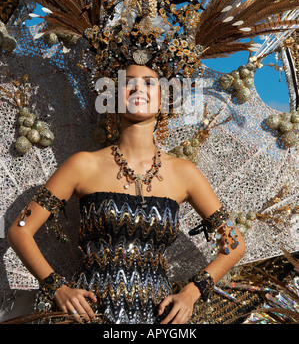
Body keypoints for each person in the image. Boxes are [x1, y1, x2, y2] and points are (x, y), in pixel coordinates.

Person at [7, 62, 246, 325]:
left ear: (164, 99)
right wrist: (57, 288)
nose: (137, 88)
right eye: (127, 82)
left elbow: (234, 245)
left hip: (159, 318)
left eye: (149, 83)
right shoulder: (82, 165)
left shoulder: (184, 173)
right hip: (87, 316)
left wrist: (192, 292)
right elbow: (20, 230)